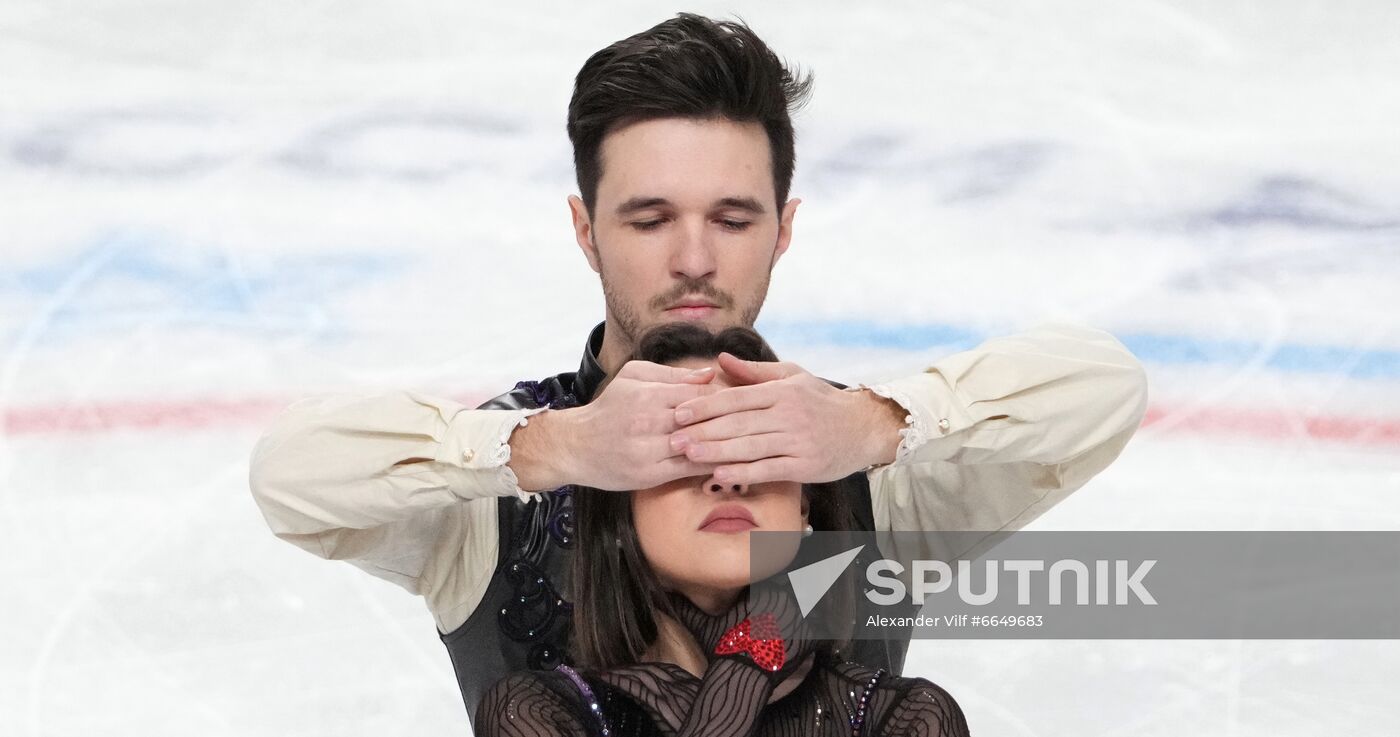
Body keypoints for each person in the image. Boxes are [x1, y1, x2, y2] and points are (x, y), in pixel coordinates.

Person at [247, 12, 1148, 726]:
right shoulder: (501, 482)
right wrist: (550, 449)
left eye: (732, 218)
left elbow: (1104, 391)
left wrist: (876, 425)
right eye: (649, 219)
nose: (693, 259)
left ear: (782, 230)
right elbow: (290, 477)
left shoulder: (870, 472)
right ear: (584, 229)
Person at [475, 322, 971, 737]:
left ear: (805, 505)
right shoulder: (534, 714)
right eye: (687, 452)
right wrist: (745, 674)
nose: (728, 479)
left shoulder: (907, 719)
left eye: (757, 448)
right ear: (620, 512)